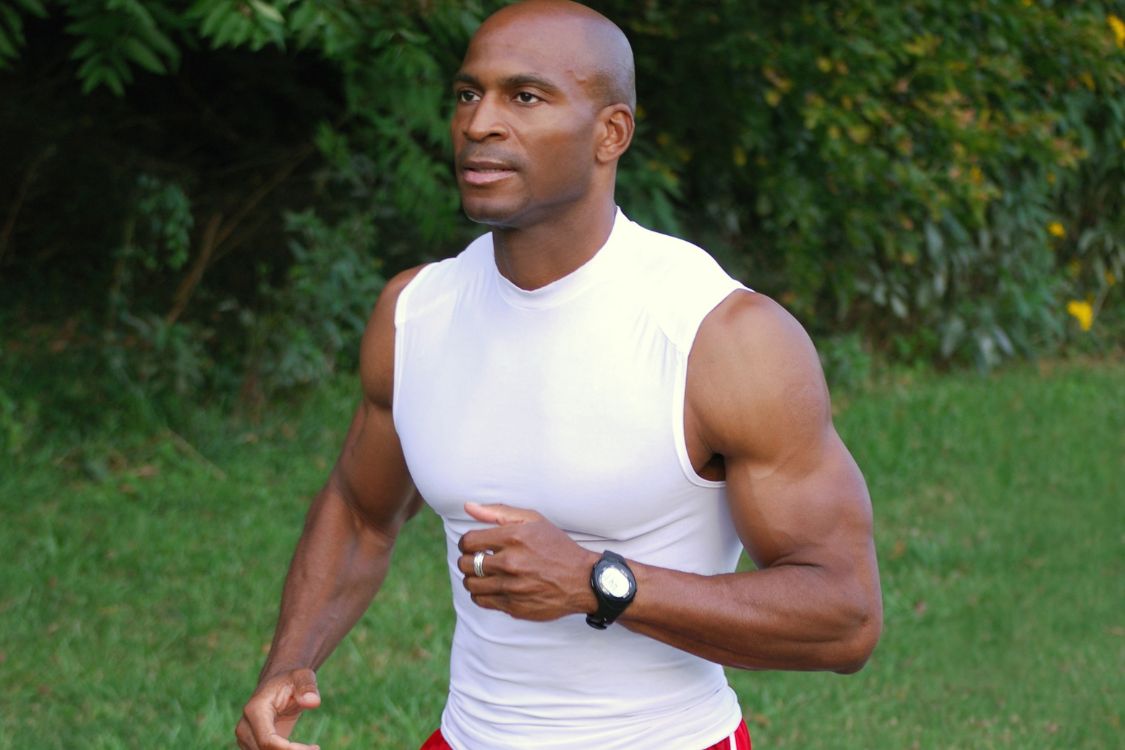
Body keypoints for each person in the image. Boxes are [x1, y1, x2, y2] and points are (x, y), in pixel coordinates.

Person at [234, 1, 883, 748]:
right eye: (467, 94)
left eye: (525, 96)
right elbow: (359, 509)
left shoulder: (720, 338)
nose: (479, 123)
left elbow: (845, 616)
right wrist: (290, 663)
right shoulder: (415, 313)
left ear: (610, 132)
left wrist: (598, 583)